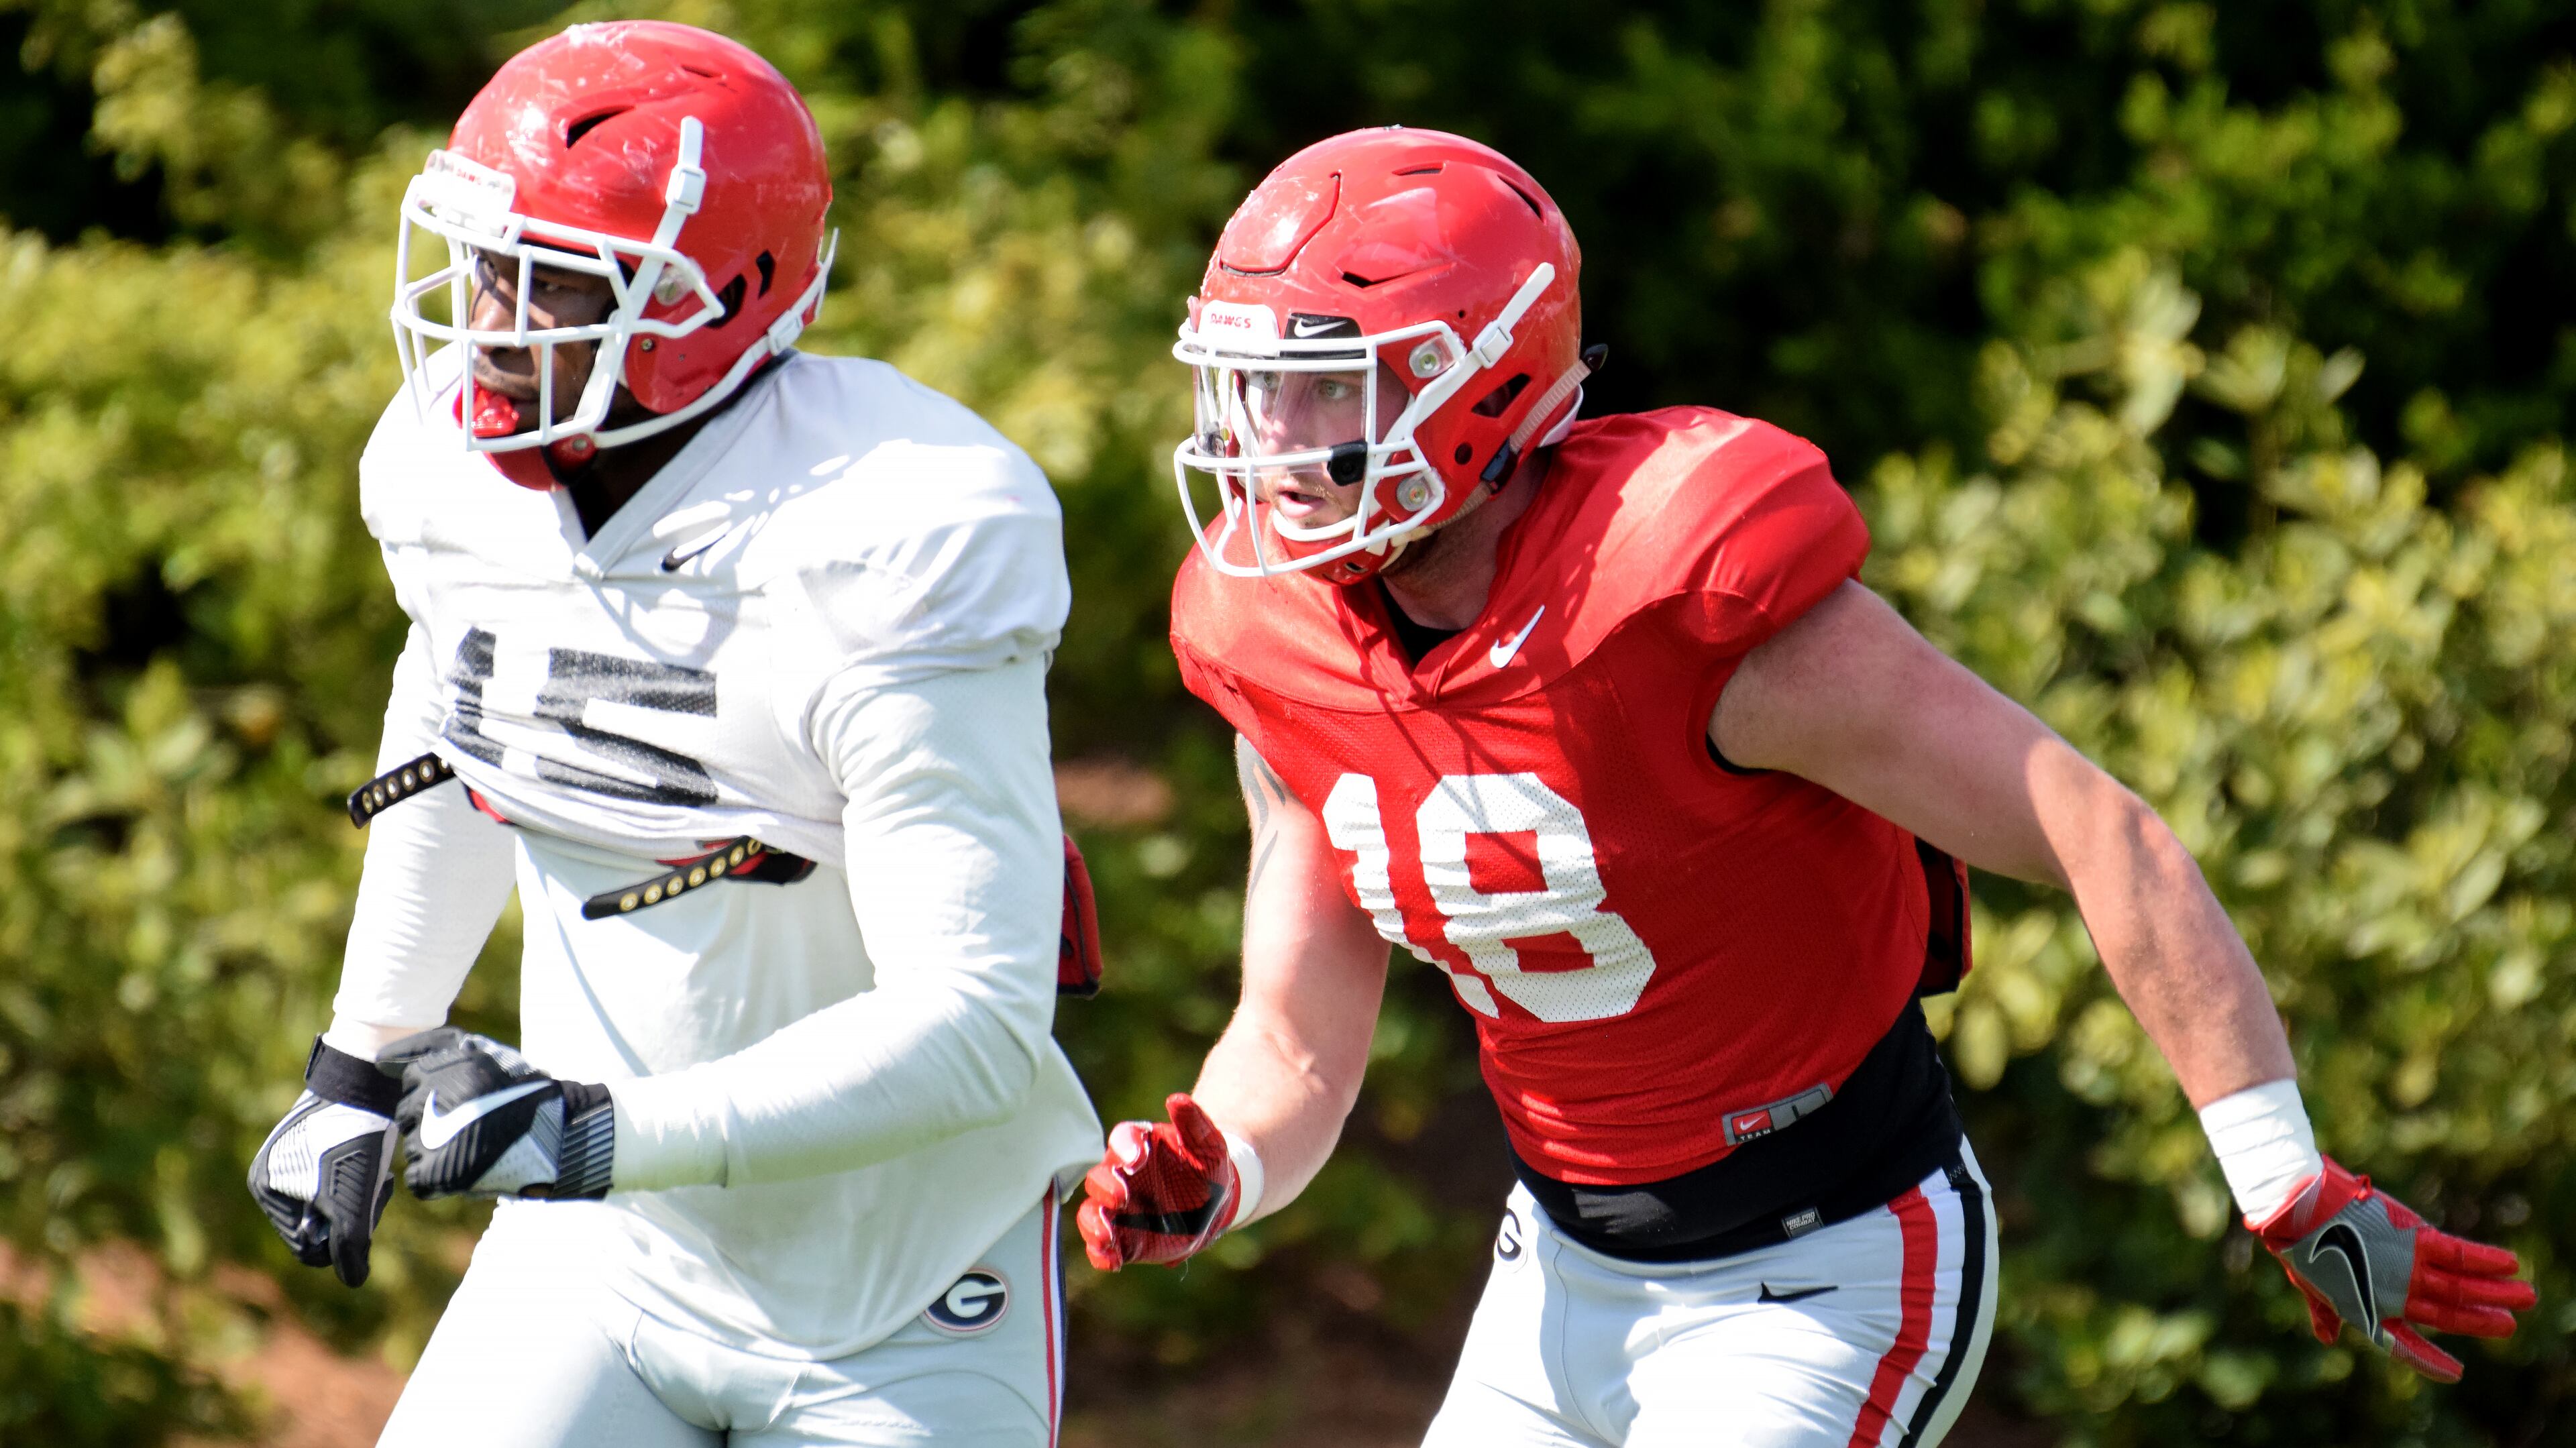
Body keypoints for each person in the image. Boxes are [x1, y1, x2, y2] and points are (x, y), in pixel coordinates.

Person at [1075, 126, 2536, 1447]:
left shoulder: (1674, 588)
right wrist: (1220, 1171)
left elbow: (2097, 830)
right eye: (1254, 392)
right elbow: (1298, 1038)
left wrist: (2281, 1172)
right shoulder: (1264, 635)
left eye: (1321, 387)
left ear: (1487, 376)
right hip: (1556, 1272)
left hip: (1825, 1272)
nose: (1266, 450)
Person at [244, 22, 1102, 1447]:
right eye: (487, 267)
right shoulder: (449, 474)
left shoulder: (894, 530)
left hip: (896, 1285)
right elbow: (465, 735)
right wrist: (362, 1058)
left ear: (716, 304)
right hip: (605, 1250)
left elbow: (976, 1026)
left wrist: (591, 1134)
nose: (494, 324)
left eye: (556, 284)